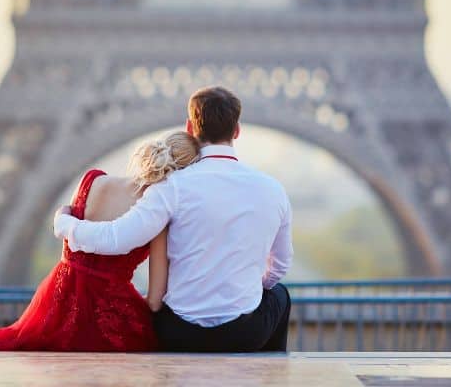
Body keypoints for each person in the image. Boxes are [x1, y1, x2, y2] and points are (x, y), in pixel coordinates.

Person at [54, 86, 293, 352]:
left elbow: (117, 238)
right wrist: (251, 287)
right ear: (236, 131)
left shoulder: (172, 186)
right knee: (280, 295)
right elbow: (280, 265)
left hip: (180, 333)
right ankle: (271, 374)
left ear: (190, 127)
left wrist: (66, 225)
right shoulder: (273, 189)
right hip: (244, 333)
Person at [0, 131, 200, 352]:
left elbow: (73, 236)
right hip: (111, 316)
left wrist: (63, 222)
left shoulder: (93, 181)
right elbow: (153, 302)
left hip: (57, 301)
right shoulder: (159, 218)